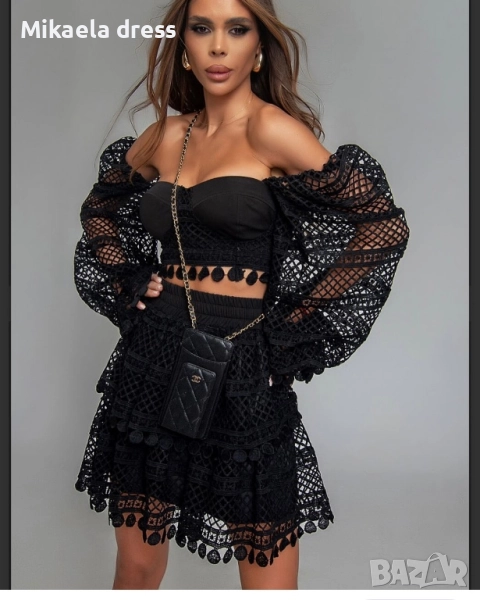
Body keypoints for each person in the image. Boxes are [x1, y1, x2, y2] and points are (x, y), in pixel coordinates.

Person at [73, 0, 410, 590]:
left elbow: (381, 226)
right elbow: (101, 209)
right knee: (137, 566)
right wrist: (129, 280)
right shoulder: (166, 135)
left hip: (242, 360)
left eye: (237, 29)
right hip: (153, 356)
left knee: (266, 576)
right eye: (202, 28)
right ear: (184, 47)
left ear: (258, 48)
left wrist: (294, 324)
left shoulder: (271, 130)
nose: (218, 46)